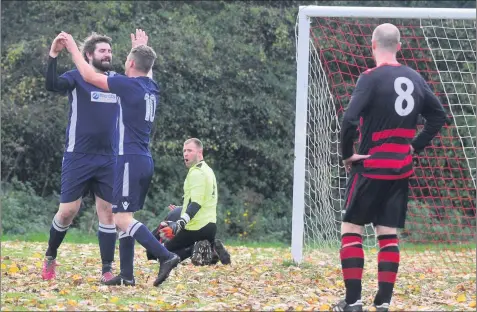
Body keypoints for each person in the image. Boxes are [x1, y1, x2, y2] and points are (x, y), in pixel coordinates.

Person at [333, 23, 447, 312]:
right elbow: (438, 116)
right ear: (399, 46)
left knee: (351, 228)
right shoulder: (415, 77)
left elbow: (348, 121)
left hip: (371, 167)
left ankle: (353, 301)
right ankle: (383, 303)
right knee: (387, 234)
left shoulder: (370, 78)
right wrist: (415, 146)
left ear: (373, 45)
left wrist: (348, 154)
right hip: (400, 169)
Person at [61, 30, 180, 287]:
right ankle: (126, 275)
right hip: (144, 159)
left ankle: (166, 256)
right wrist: (141, 48)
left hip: (128, 159)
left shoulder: (128, 85)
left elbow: (89, 75)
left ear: (130, 64)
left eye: (127, 58)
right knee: (125, 214)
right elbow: (146, 67)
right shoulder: (151, 86)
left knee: (122, 220)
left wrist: (72, 48)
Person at [42, 32, 121, 283]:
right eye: (102, 51)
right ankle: (50, 256)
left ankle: (107, 270)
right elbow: (52, 84)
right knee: (67, 212)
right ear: (88, 54)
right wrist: (53, 54)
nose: (107, 55)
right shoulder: (77, 77)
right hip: (78, 156)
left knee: (107, 212)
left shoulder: (116, 81)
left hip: (109, 158)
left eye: (109, 51)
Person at [154, 138, 231, 266]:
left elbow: (196, 204)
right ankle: (211, 249)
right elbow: (202, 199)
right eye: (184, 151)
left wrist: (180, 223)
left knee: (162, 254)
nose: (185, 154)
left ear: (200, 152)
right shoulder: (208, 170)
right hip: (210, 226)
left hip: (196, 226)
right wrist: (181, 208)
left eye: (189, 150)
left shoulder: (196, 172)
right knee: (174, 249)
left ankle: (195, 248)